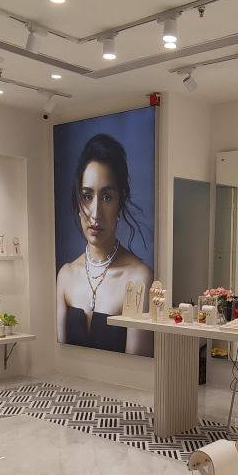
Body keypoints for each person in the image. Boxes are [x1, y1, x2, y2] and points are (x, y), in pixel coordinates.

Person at [56, 133, 154, 355]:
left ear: (120, 202)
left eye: (107, 197)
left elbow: (136, 367)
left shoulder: (138, 279)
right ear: (78, 202)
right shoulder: (66, 275)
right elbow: (59, 356)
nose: (95, 213)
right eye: (87, 196)